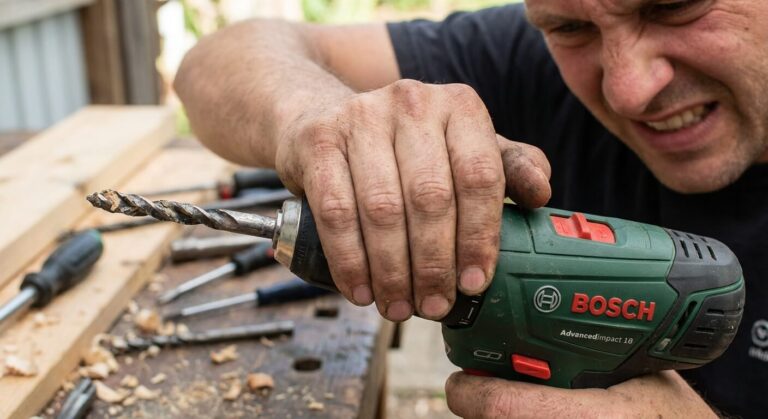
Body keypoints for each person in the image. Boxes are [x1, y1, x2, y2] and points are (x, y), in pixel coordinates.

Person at [174, 1, 768, 417]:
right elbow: (213, 64)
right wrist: (317, 119)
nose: (628, 88)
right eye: (568, 27)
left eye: (675, 5)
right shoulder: (529, 59)